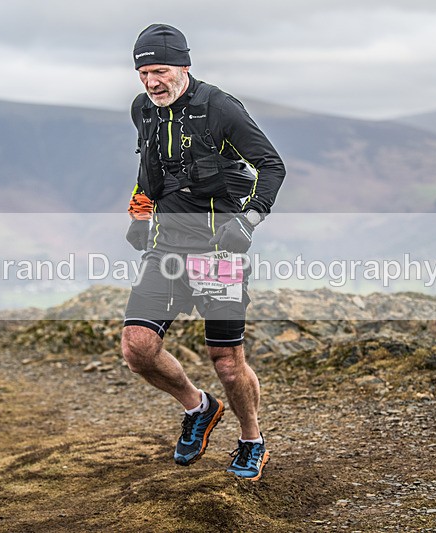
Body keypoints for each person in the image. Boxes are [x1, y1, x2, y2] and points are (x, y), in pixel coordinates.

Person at [121, 23, 286, 481]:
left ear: (184, 66)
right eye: (143, 74)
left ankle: (251, 440)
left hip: (218, 255)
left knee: (227, 363)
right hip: (165, 251)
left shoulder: (220, 108)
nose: (152, 82)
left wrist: (248, 221)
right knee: (138, 348)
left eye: (160, 71)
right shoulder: (143, 109)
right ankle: (199, 407)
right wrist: (139, 213)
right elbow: (148, 169)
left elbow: (271, 166)